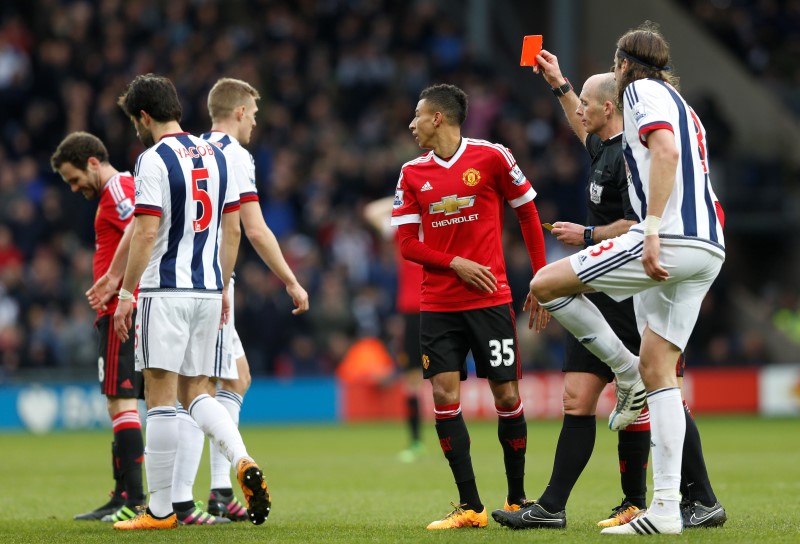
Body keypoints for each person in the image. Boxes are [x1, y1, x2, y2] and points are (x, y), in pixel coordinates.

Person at [492, 52, 726, 531]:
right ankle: (553, 506)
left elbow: (638, 222)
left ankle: (666, 497)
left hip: (632, 274)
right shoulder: (603, 145)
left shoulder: (634, 152)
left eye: (587, 106)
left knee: (658, 385)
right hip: (599, 283)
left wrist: (590, 236)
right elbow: (582, 119)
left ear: (609, 109)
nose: (581, 113)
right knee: (578, 398)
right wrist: (558, 84)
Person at [111, 73, 270, 530]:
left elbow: (144, 231)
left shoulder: (152, 159)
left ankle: (159, 512)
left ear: (144, 116)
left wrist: (126, 293)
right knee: (198, 392)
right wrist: (221, 287)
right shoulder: (222, 156)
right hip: (207, 292)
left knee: (160, 399)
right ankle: (240, 457)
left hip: (164, 290)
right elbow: (234, 228)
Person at [390, 83, 549, 530]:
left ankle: (517, 499)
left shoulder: (493, 157)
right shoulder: (410, 173)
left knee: (506, 395)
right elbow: (405, 244)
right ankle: (470, 506)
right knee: (443, 396)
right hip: (438, 304)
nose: (411, 124)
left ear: (438, 118)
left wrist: (540, 277)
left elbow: (528, 212)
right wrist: (454, 262)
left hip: (490, 300)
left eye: (417, 115)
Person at [169, 77, 309, 522]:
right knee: (199, 387)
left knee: (236, 377)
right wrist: (290, 279)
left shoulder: (190, 149)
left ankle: (216, 492)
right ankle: (190, 498)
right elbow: (252, 228)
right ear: (242, 112)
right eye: (255, 113)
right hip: (211, 281)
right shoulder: (236, 155)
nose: (256, 122)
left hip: (180, 275)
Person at [51, 132, 145, 522]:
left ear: (93, 162)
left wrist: (116, 284)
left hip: (123, 309)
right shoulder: (114, 193)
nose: (75, 188)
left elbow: (142, 227)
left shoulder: (119, 190)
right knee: (115, 402)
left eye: (74, 178)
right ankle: (123, 492)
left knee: (123, 402)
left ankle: (136, 499)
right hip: (118, 309)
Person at [364, 196, 425, 462]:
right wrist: (407, 196)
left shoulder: (442, 228)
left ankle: (454, 441)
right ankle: (415, 442)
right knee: (412, 379)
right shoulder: (402, 231)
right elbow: (371, 210)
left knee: (444, 379)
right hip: (411, 312)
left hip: (441, 308)